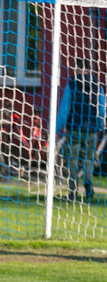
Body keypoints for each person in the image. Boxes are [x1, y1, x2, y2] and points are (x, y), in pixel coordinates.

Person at [56, 58, 105, 202]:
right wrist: (99, 126)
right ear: (89, 69)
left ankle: (72, 192)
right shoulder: (98, 85)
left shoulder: (72, 84)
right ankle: (88, 188)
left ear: (77, 68)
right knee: (89, 159)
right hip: (91, 129)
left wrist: (56, 129)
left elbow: (64, 110)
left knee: (72, 160)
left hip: (74, 128)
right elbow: (101, 108)